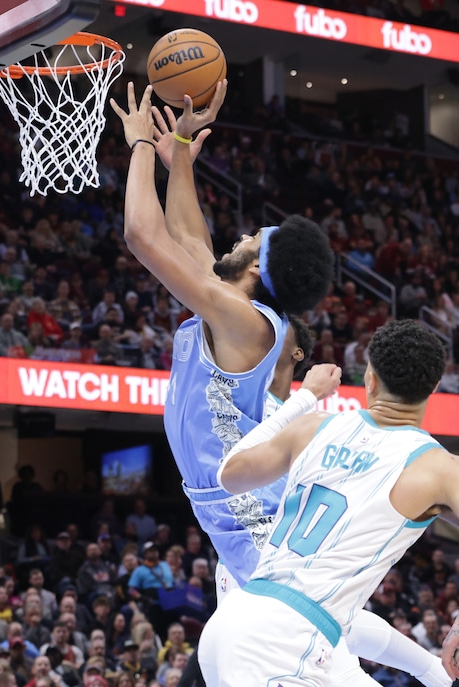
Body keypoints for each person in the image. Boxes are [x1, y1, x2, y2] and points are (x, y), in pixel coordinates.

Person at [112, 84, 448, 687]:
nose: (236, 238)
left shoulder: (245, 322)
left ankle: (431, 670)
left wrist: (139, 143)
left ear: (256, 268)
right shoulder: (235, 309)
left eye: (247, 240)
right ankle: (431, 673)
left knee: (304, 607)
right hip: (230, 497)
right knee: (297, 611)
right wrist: (181, 151)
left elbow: (144, 236)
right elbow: (190, 243)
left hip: (243, 501)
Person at [196, 319, 459, 686]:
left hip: (236, 620)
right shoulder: (442, 469)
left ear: (369, 378)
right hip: (286, 643)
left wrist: (304, 400)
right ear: (434, 386)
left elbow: (229, 473)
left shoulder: (313, 426)